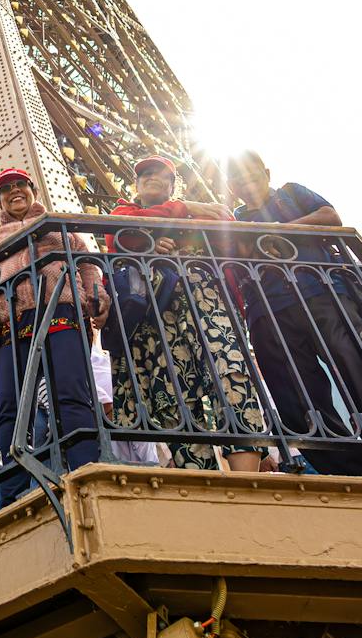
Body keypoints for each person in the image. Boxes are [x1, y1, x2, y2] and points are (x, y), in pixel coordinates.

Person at [225, 151, 362, 477]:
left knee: (357, 369)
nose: (247, 185)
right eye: (239, 181)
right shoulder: (233, 218)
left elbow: (331, 217)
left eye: (253, 176)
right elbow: (234, 253)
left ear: (267, 173)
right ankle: (348, 471)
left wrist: (280, 231)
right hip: (268, 310)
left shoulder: (291, 193)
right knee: (292, 394)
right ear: (231, 187)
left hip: (322, 292)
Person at [0, 164, 109, 508]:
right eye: (6, 189)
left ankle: (86, 469)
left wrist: (96, 294)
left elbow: (87, 264)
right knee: (8, 407)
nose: (14, 191)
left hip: (61, 314)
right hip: (11, 325)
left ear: (33, 189)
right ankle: (12, 489)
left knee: (71, 395)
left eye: (21, 185)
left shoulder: (59, 229)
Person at [108, 155, 267, 472]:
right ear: (136, 185)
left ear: (171, 185)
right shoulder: (126, 211)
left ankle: (248, 480)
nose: (153, 178)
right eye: (146, 174)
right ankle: (200, 479)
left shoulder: (198, 212)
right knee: (173, 393)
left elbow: (230, 234)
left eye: (162, 175)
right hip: (155, 316)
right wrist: (180, 214)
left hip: (206, 300)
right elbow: (120, 234)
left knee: (230, 371)